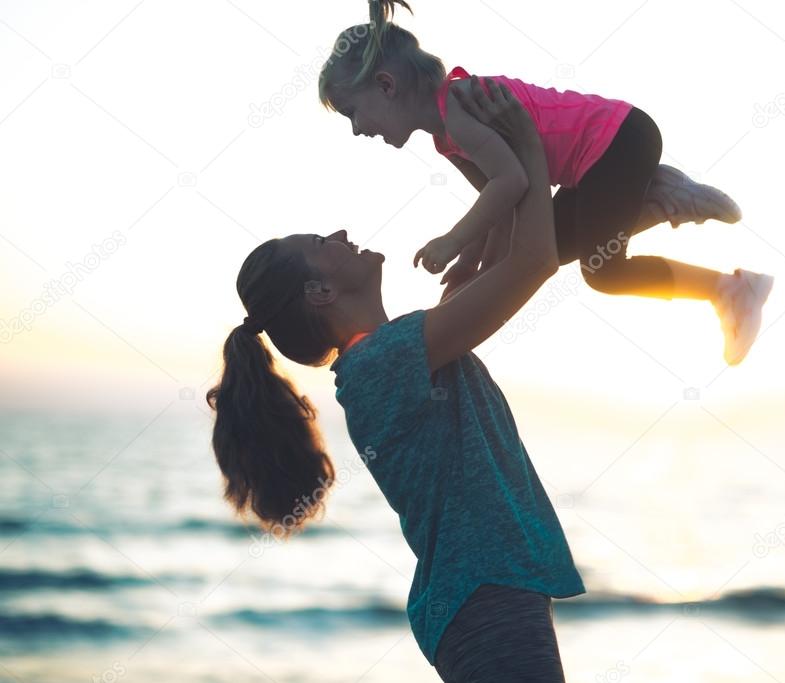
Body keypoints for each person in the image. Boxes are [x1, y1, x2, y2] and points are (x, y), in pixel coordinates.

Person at [207, 75, 581, 681]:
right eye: (319, 243)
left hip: (487, 593)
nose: (338, 234)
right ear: (321, 292)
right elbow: (536, 261)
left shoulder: (403, 347)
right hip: (484, 595)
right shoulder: (387, 362)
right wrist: (529, 148)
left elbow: (517, 240)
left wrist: (480, 147)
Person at [318, 0, 774, 365]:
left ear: (385, 85)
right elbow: (500, 207)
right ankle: (658, 196)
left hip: (617, 143)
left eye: (353, 114)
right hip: (607, 155)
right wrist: (474, 268)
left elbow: (512, 181)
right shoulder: (445, 136)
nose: (358, 129)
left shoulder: (459, 105)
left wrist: (453, 242)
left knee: (605, 273)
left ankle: (726, 284)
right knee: (543, 244)